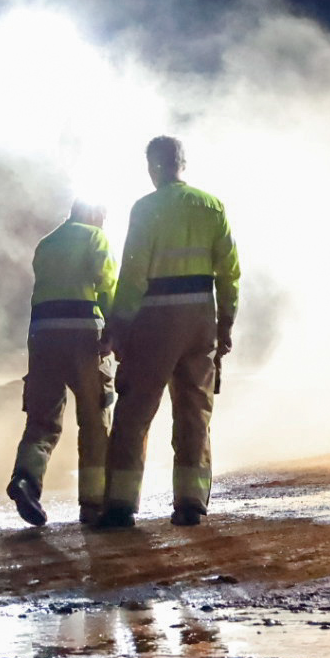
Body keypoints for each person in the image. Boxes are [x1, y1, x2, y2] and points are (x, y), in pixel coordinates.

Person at [101, 136, 239, 528]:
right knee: (195, 411)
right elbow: (230, 273)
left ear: (153, 167)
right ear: (183, 164)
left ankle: (120, 505)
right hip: (200, 317)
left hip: (156, 319)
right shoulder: (213, 207)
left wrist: (119, 326)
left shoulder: (145, 208)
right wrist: (225, 323)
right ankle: (191, 502)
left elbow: (132, 274)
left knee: (135, 411)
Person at [6, 199, 118, 527]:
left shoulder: (46, 243)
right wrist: (114, 328)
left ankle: (26, 480)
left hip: (42, 337)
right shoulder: (95, 237)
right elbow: (107, 285)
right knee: (95, 421)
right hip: (83, 335)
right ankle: (93, 503)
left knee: (42, 421)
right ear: (95, 212)